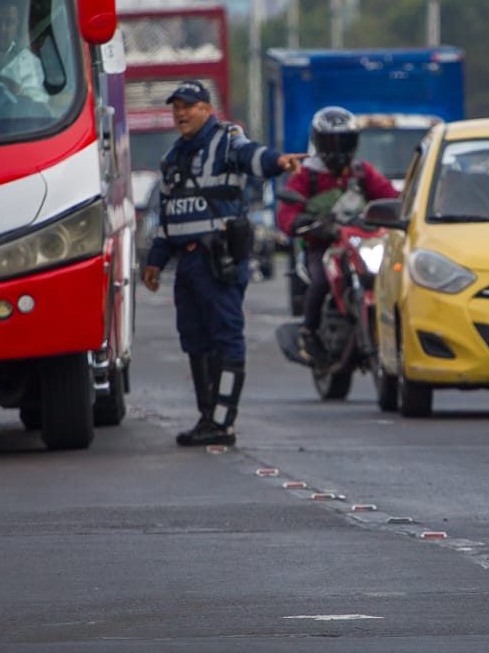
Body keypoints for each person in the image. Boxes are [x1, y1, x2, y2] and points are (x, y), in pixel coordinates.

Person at [142, 81, 306, 447]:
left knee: (226, 338)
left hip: (218, 260)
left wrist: (279, 161)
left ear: (207, 109)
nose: (181, 113)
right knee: (195, 341)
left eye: (189, 106)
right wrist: (154, 262)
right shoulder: (173, 158)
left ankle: (222, 420)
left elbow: (254, 156)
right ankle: (207, 416)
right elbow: (168, 218)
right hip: (186, 266)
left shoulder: (226, 140)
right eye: (176, 107)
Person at [276, 106, 399, 363]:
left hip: (360, 243)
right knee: (321, 279)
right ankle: (308, 332)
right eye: (332, 141)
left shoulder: (362, 172)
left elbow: (391, 197)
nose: (338, 148)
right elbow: (286, 214)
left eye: (344, 140)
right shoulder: (305, 175)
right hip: (321, 246)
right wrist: (302, 221)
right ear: (319, 142)